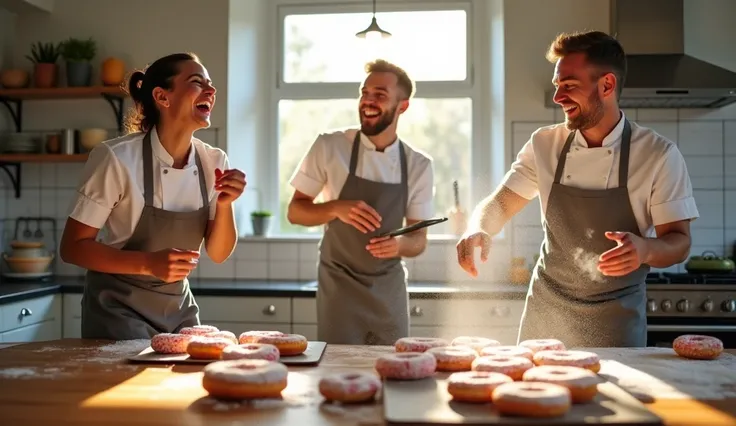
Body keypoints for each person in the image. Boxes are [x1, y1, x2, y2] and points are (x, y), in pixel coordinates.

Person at [456, 31, 699, 348]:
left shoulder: (658, 155)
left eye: (569, 86)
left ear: (607, 85)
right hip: (547, 316)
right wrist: (479, 228)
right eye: (557, 86)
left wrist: (645, 250)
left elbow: (679, 242)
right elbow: (500, 203)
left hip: (617, 322)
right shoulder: (545, 145)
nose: (557, 97)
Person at [60, 53, 246, 340]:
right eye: (197, 83)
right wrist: (148, 263)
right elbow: (73, 247)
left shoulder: (214, 161)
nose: (211, 91)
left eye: (211, 85)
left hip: (178, 310)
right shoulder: (116, 158)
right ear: (162, 96)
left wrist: (225, 204)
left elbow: (219, 254)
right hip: (117, 310)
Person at [286, 59, 435, 345]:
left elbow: (418, 239)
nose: (368, 101)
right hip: (339, 286)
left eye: (379, 95)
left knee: (392, 372)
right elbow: (295, 212)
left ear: (402, 106)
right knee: (339, 373)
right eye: (364, 93)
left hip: (388, 288)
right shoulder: (329, 146)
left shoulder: (418, 165)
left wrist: (399, 245)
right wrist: (335, 208)